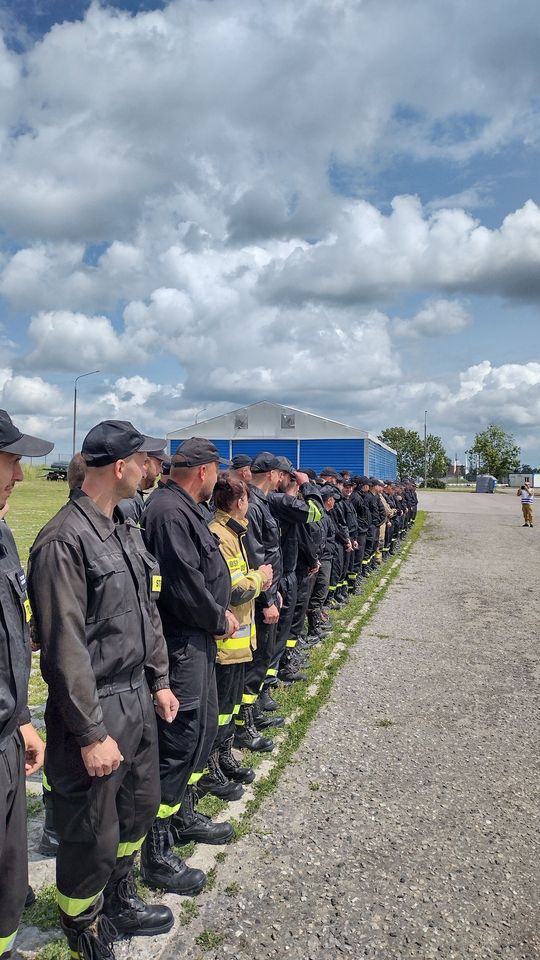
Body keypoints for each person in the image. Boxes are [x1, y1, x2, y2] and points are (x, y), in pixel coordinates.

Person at [28, 420, 177, 960]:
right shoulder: (63, 540)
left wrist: (159, 679)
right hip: (95, 704)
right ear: (120, 467)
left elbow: (147, 617)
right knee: (90, 830)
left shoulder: (125, 531)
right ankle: (82, 926)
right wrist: (90, 733)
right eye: (142, 462)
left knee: (138, 808)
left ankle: (119, 899)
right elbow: (65, 649)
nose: (148, 470)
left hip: (136, 695)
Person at [140, 438, 239, 895]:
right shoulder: (167, 511)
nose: (218, 478)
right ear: (203, 471)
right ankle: (156, 851)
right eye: (216, 470)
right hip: (181, 644)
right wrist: (218, 616)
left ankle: (182, 813)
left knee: (198, 734)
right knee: (178, 740)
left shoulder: (183, 507)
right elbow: (182, 583)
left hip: (197, 642)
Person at [0, 410, 52, 960]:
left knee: (11, 862)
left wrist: (20, 719)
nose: (19, 475)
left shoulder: (3, 535)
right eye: (12, 460)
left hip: (8, 733)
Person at [205, 475, 272, 795]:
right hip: (226, 644)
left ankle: (225, 756)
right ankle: (211, 767)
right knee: (219, 710)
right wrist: (260, 577)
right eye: (246, 499)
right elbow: (235, 589)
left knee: (229, 707)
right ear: (239, 502)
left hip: (239, 640)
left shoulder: (234, 531)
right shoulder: (221, 535)